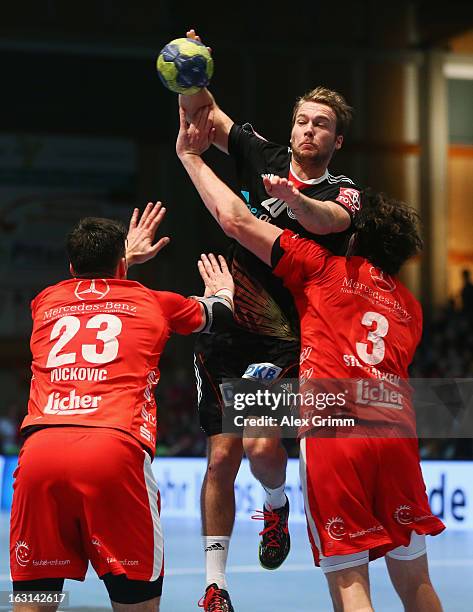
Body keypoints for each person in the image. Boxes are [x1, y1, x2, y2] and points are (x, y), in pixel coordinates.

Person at [176, 110, 445, 612]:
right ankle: (271, 508)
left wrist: (190, 157)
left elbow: (236, 221)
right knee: (417, 583)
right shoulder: (411, 307)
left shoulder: (322, 268)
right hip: (396, 434)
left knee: (351, 584)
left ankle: (273, 508)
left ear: (358, 239)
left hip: (336, 434)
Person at [179, 29, 364, 608]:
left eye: (321, 124)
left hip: (292, 337)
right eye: (303, 120)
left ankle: (277, 506)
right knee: (222, 454)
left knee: (261, 450)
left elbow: (331, 221)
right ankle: (215, 586)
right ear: (292, 127)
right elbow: (204, 121)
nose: (309, 129)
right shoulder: (264, 154)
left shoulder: (345, 190)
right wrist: (191, 75)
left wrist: (295, 200)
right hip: (230, 324)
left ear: (336, 139)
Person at [10, 203, 234, 612]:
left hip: (39, 456)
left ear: (71, 263)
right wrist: (223, 292)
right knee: (137, 603)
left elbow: (92, 292)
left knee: (34, 601)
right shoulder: (154, 302)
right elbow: (218, 315)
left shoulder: (45, 302)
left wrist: (123, 259)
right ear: (120, 263)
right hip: (113, 452)